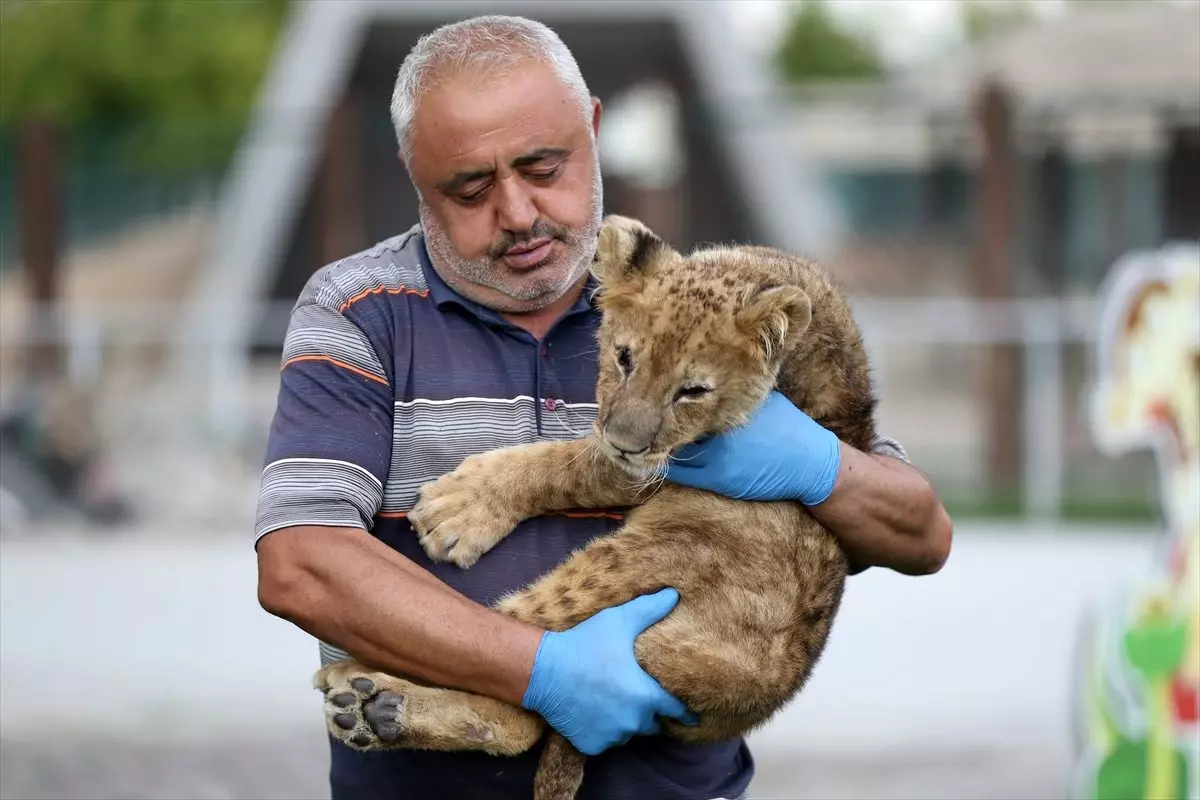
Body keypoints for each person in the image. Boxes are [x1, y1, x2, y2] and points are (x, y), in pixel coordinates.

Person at [254, 15, 952, 800]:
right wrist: (538, 673)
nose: (518, 213)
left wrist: (820, 468)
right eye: (471, 189)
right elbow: (302, 566)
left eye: (543, 166)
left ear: (592, 127)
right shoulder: (357, 310)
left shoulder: (700, 305)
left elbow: (921, 532)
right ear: (416, 173)